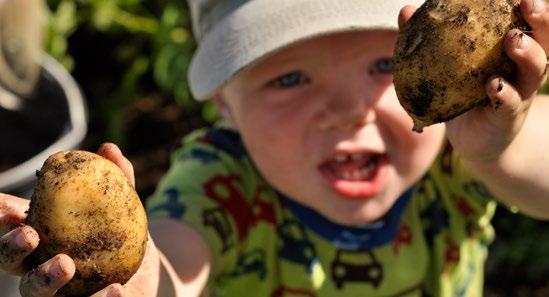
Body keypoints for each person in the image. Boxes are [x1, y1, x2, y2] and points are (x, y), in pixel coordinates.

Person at [1, 0, 548, 296]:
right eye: (289, 79)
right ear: (224, 107)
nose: (345, 110)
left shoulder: (459, 152)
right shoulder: (218, 182)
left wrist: (499, 148)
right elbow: (175, 260)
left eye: (386, 65)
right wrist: (143, 278)